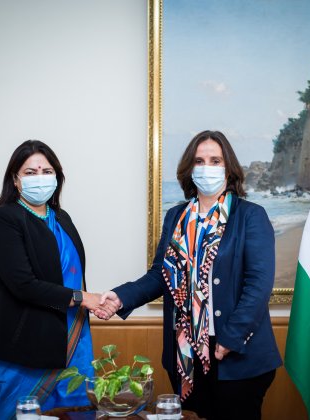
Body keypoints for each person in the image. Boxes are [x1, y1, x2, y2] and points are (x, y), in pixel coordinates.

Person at [100, 130, 282, 420]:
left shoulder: (250, 215)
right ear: (189, 168)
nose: (207, 168)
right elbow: (160, 275)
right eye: (199, 161)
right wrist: (121, 297)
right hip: (186, 354)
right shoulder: (176, 216)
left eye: (215, 161)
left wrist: (231, 337)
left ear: (229, 169)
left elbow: (258, 285)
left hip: (236, 353)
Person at [0, 140, 118, 419]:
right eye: (30, 172)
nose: (39, 178)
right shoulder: (3, 219)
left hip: (71, 340)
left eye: (47, 171)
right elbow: (23, 285)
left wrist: (97, 302)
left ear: (57, 177)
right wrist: (83, 298)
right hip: (18, 349)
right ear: (15, 180)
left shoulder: (62, 218)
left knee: (74, 412)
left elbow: (72, 275)